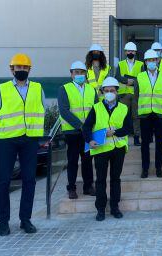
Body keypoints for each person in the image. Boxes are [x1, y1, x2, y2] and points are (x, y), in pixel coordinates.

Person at [0, 53, 46, 236]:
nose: (21, 70)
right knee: (4, 181)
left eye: (24, 68)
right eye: (18, 67)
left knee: (29, 180)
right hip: (7, 140)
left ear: (29, 70)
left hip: (30, 139)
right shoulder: (2, 89)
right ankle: (3, 222)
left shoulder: (38, 88)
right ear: (12, 69)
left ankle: (25, 220)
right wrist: (5, 130)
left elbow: (42, 110)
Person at [82, 77, 132, 221]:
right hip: (101, 149)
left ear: (117, 92)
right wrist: (89, 140)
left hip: (118, 148)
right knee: (100, 180)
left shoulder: (124, 108)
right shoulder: (96, 108)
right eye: (106, 90)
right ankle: (101, 209)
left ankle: (115, 207)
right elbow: (86, 127)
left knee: (116, 179)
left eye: (112, 90)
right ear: (102, 92)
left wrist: (114, 132)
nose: (109, 93)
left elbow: (128, 128)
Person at [58, 61, 98, 199]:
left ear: (85, 74)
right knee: (73, 161)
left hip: (87, 132)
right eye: (76, 72)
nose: (79, 75)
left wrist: (88, 127)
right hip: (72, 132)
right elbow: (64, 111)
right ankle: (72, 188)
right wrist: (81, 126)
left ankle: (88, 186)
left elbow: (96, 110)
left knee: (87, 160)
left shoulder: (91, 89)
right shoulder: (64, 88)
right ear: (71, 74)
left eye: (81, 72)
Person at [136, 49, 162, 178]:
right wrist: (137, 113)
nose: (151, 62)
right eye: (149, 60)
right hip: (145, 114)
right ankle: (145, 169)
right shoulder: (140, 77)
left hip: (160, 114)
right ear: (145, 62)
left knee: (159, 142)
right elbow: (136, 96)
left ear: (157, 61)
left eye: (153, 60)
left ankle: (158, 168)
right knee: (145, 143)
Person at [115, 42, 144, 146]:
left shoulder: (140, 64)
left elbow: (142, 78)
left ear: (135, 52)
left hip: (136, 94)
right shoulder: (120, 64)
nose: (130, 52)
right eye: (128, 51)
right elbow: (117, 77)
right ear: (125, 52)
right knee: (123, 116)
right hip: (124, 95)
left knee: (136, 116)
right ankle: (122, 136)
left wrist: (134, 81)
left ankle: (136, 137)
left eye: (132, 51)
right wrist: (127, 81)